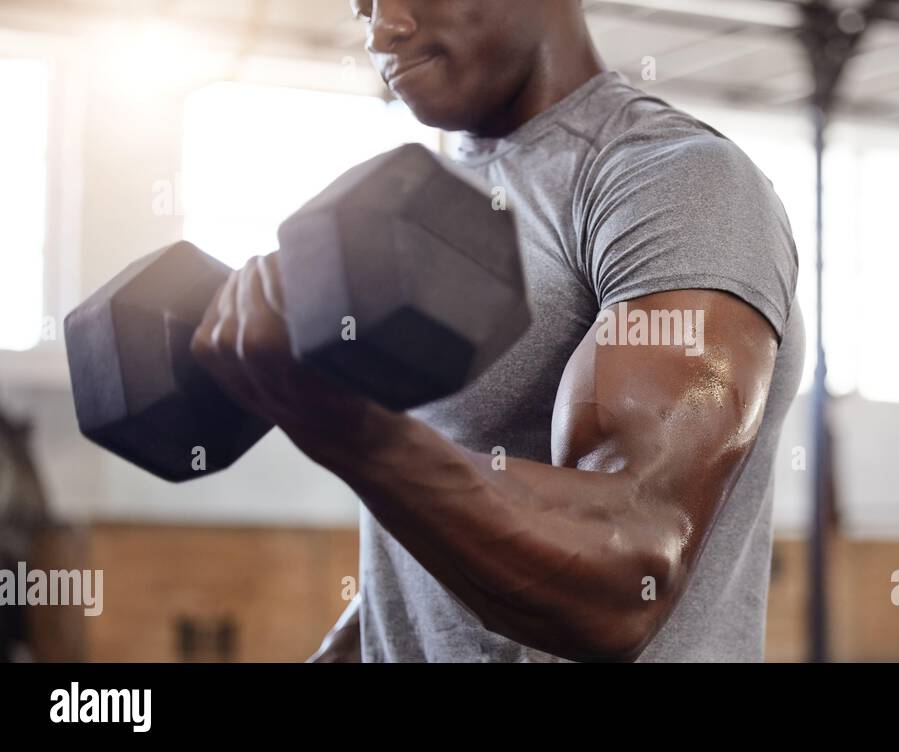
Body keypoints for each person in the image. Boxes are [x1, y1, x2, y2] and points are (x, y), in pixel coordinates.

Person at [193, 0, 804, 662]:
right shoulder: (431, 203)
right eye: (361, 3)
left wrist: (351, 434)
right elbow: (426, 553)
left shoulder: (667, 181)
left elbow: (631, 575)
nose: (382, 29)